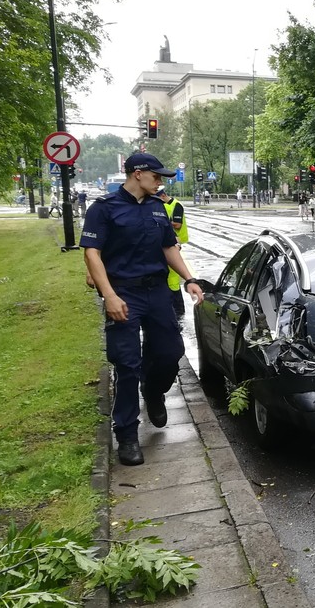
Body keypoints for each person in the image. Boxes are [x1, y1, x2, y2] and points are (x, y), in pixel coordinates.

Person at [80, 153, 204, 466]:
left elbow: (168, 248)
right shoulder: (104, 209)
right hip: (122, 292)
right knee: (126, 364)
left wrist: (189, 278)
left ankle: (153, 390)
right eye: (157, 176)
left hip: (157, 291)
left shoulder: (157, 208)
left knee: (170, 351)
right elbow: (92, 255)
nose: (161, 182)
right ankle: (126, 434)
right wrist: (108, 295)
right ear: (138, 173)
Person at [156, 187, 190, 315]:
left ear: (163, 195)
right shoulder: (162, 205)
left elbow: (177, 224)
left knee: (173, 276)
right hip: (166, 242)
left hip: (175, 243)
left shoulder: (176, 205)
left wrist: (161, 222)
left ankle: (178, 309)